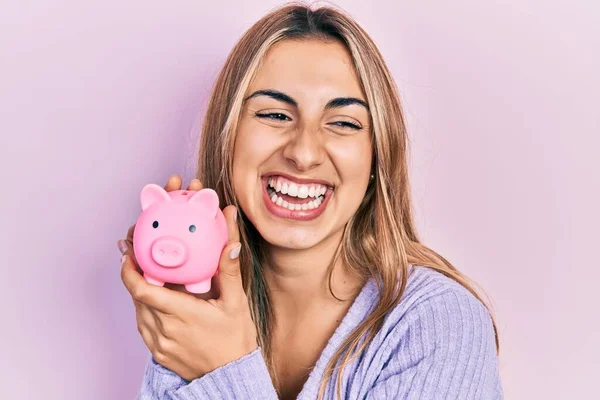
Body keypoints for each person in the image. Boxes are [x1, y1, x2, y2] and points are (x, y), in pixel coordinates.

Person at [118, 2, 504, 399]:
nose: (304, 153)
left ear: (377, 155)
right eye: (275, 115)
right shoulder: (197, 314)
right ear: (228, 136)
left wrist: (222, 369)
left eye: (342, 123)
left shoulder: (440, 325)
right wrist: (185, 323)